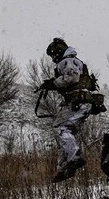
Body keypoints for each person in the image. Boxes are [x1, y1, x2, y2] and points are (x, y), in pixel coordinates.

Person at [40, 38, 93, 182]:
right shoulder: (76, 61)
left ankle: (74, 157)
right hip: (82, 103)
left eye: (52, 56)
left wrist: (53, 83)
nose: (52, 60)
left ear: (57, 52)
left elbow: (72, 77)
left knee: (60, 127)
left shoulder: (67, 61)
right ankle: (64, 166)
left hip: (77, 102)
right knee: (63, 133)